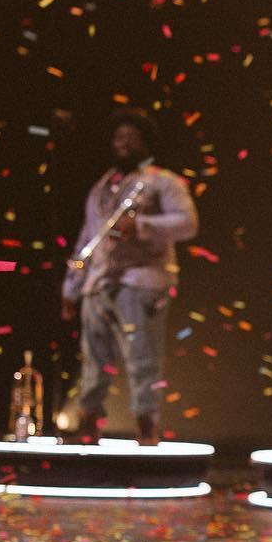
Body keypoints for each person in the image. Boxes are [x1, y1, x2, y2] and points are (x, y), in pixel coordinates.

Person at [62, 108, 198, 445]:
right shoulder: (100, 188)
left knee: (142, 358)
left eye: (131, 138)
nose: (123, 143)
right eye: (118, 137)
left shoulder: (163, 181)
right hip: (98, 283)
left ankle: (147, 426)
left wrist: (141, 226)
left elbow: (188, 224)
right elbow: (86, 240)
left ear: (145, 144)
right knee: (94, 360)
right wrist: (71, 288)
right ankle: (88, 423)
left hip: (141, 281)